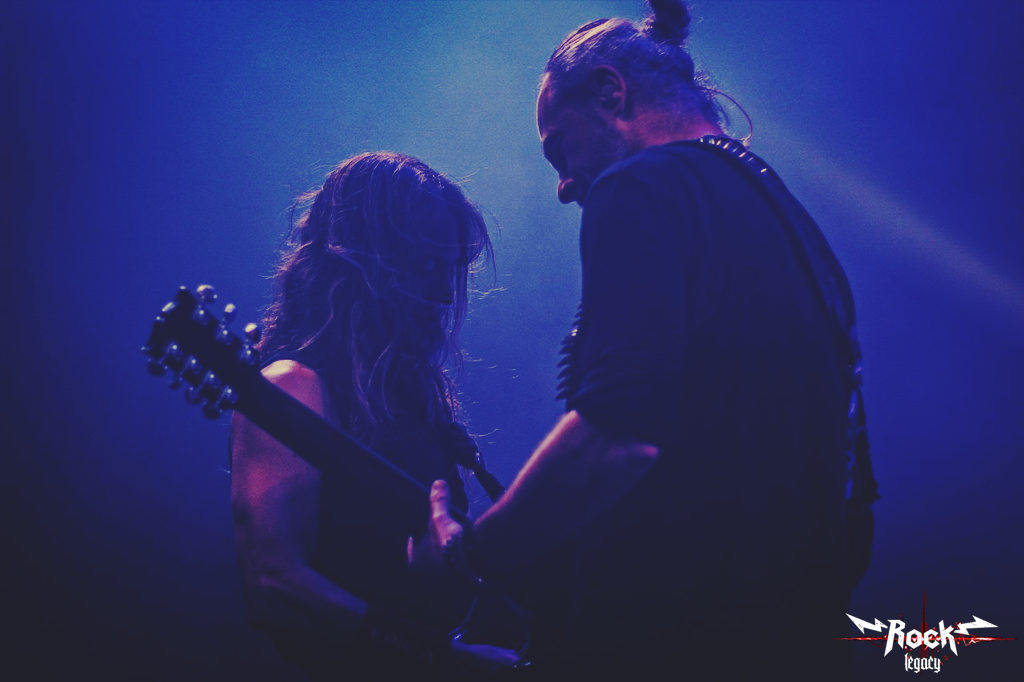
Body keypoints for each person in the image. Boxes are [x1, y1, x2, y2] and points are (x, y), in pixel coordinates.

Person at [410, 1, 878, 679]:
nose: (563, 186)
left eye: (559, 149)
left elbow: (621, 433)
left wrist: (470, 558)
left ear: (610, 91)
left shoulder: (639, 187)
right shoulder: (801, 232)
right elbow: (852, 508)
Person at [230, 152, 515, 679]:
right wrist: (442, 658)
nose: (444, 293)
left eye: (452, 269)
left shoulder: (409, 396)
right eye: (426, 265)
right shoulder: (292, 386)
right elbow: (274, 587)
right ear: (361, 261)